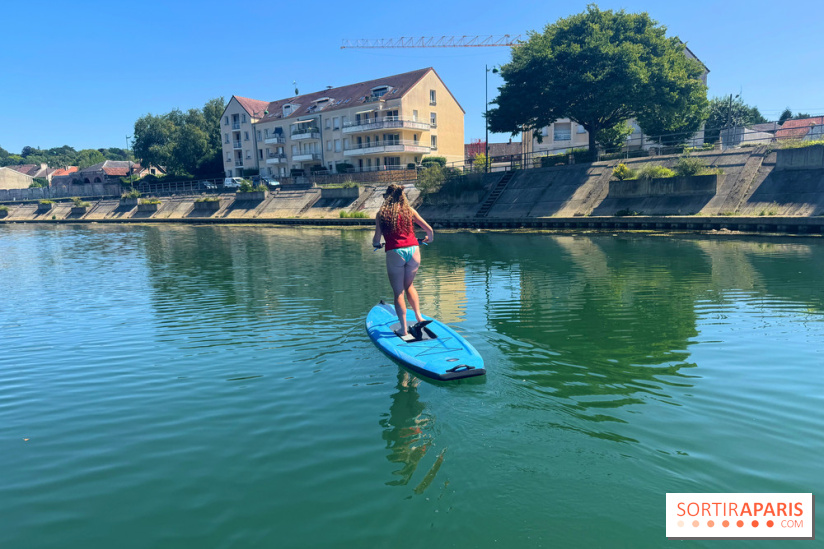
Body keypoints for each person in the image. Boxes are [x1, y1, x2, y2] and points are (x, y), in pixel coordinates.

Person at [373, 184, 434, 339]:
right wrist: (429, 238)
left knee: (398, 291)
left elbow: (376, 238)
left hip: (395, 252)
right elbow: (429, 230)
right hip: (414, 251)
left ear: (386, 198)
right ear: (402, 197)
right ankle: (420, 318)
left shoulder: (382, 214)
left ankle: (404, 329)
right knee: (410, 286)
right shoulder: (410, 211)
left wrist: (377, 244)